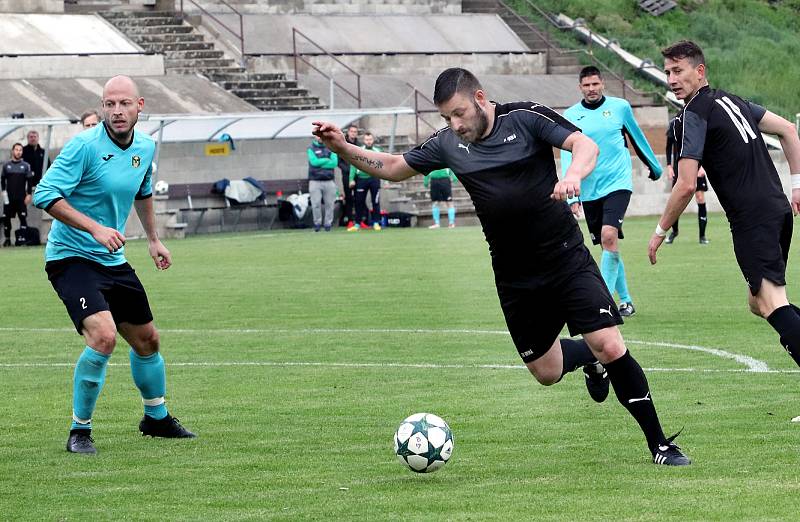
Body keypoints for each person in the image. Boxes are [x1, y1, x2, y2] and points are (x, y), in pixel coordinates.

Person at [313, 67, 690, 465]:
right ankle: (587, 358)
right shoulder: (447, 144)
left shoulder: (525, 117)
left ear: (479, 98)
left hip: (564, 257)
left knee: (610, 343)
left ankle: (660, 444)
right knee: (545, 371)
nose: (454, 125)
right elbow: (392, 166)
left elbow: (584, 146)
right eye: (446, 118)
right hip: (515, 275)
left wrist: (574, 176)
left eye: (458, 113)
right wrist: (341, 147)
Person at [32, 75, 196, 455]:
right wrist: (94, 228)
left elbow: (142, 191)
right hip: (71, 256)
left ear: (140, 106)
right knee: (103, 337)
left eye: (124, 104)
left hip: (112, 258)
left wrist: (154, 239)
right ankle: (80, 431)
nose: (117, 111)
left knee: (147, 340)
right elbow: (44, 194)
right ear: (102, 107)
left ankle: (156, 418)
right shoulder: (84, 146)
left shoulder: (146, 146)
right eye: (110, 104)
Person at [649, 41, 800, 379]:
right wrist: (797, 185)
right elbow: (789, 130)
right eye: (667, 72)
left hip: (752, 218)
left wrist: (660, 232)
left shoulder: (694, 113)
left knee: (772, 303)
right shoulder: (732, 99)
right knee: (759, 303)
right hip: (776, 209)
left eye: (678, 70)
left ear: (699, 71)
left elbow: (686, 184)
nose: (671, 79)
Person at [561, 66, 663, 318]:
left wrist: (654, 165)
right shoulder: (571, 115)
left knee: (608, 236)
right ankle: (626, 300)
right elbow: (567, 154)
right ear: (580, 87)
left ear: (602, 84)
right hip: (589, 189)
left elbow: (637, 137)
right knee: (609, 245)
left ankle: (602, 304)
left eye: (595, 84)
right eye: (587, 85)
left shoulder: (620, 107)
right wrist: (572, 194)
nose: (591, 89)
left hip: (618, 183)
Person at [665, 116, 710, 244]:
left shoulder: (698, 121)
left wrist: (703, 167)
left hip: (697, 166)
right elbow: (669, 146)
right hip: (679, 168)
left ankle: (702, 236)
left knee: (700, 198)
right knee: (676, 199)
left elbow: (706, 145)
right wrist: (669, 166)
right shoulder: (675, 123)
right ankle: (674, 231)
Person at [349, 132, 383, 231]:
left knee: (375, 202)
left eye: (370, 139)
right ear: (364, 141)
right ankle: (357, 224)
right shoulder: (359, 151)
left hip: (374, 179)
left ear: (373, 140)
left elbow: (383, 165)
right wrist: (351, 179)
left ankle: (376, 222)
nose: (369, 141)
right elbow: (353, 165)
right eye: (367, 140)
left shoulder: (378, 151)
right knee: (359, 202)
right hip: (361, 180)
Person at [1, 143, 33, 246]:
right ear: (13, 151)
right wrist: (4, 193)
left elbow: (29, 181)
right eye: (17, 150)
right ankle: (7, 239)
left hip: (21, 197)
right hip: (9, 198)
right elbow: (2, 180)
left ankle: (22, 239)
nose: (18, 152)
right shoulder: (6, 165)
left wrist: (28, 194)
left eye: (20, 150)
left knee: (22, 217)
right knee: (6, 218)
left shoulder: (26, 166)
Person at [307, 136, 338, 232]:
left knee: (330, 204)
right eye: (318, 135)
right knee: (316, 204)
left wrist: (321, 163)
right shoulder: (311, 148)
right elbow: (314, 162)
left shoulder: (331, 147)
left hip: (329, 181)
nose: (320, 137)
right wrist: (326, 160)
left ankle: (328, 224)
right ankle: (317, 223)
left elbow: (334, 163)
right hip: (315, 181)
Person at [337, 124, 359, 227]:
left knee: (359, 198)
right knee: (349, 198)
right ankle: (350, 220)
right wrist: (349, 171)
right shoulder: (343, 144)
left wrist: (355, 172)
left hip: (358, 176)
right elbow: (339, 162)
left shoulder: (359, 145)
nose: (353, 133)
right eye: (352, 131)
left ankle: (360, 221)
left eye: (355, 132)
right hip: (346, 176)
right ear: (348, 132)